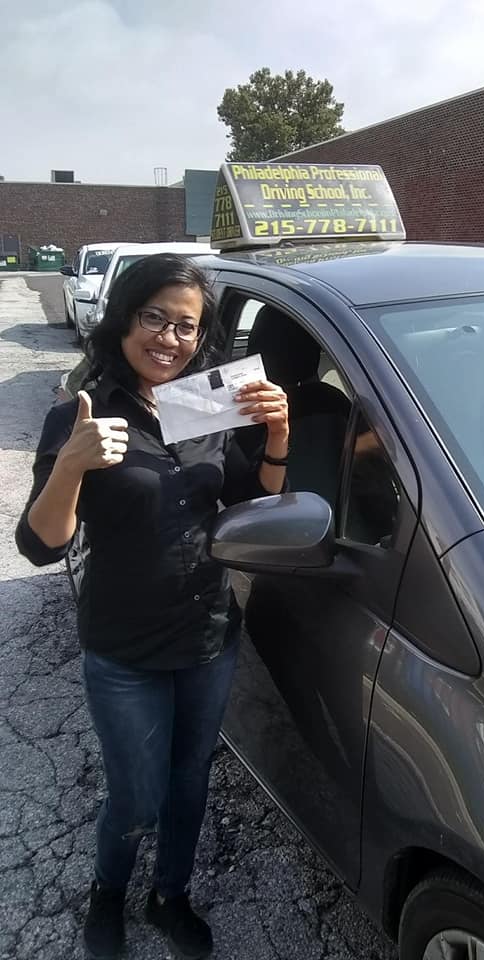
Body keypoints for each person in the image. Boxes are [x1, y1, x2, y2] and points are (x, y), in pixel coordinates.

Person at [15, 254, 289, 960]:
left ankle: (170, 896)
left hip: (207, 636)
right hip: (125, 648)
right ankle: (107, 892)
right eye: (154, 318)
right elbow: (41, 546)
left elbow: (247, 501)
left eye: (186, 326)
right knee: (136, 797)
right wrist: (71, 464)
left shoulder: (202, 406)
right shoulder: (80, 414)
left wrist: (277, 439)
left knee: (188, 782)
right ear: (124, 320)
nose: (169, 338)